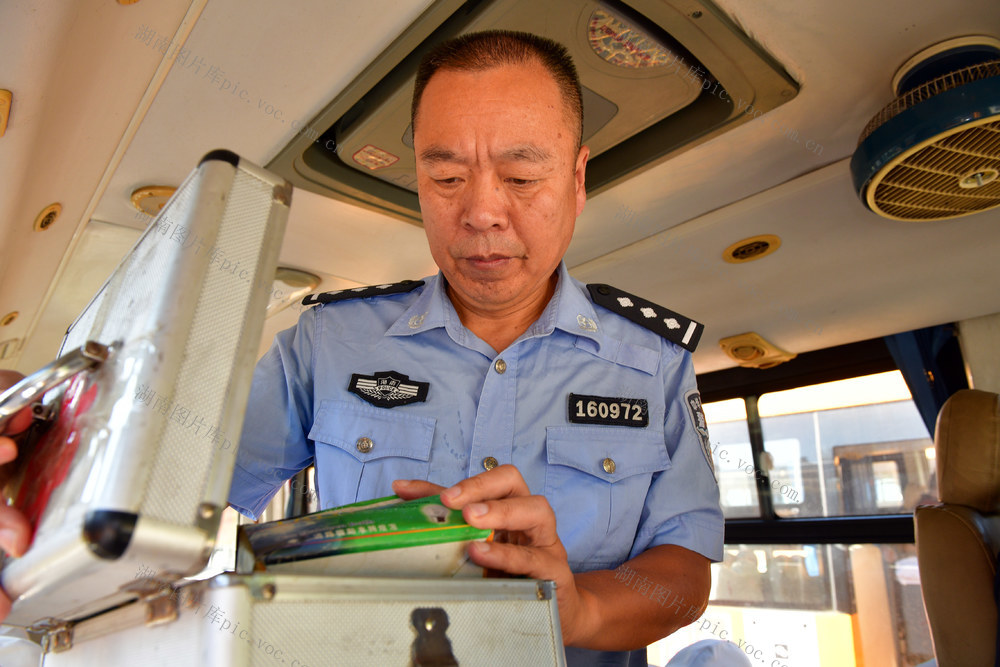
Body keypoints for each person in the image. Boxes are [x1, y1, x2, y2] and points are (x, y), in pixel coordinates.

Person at [0, 30, 723, 665]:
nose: (480, 213)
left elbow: (684, 571)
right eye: (445, 177)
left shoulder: (653, 361)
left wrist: (580, 608)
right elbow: (178, 474)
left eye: (522, 177)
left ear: (577, 177)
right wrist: (48, 445)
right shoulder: (328, 342)